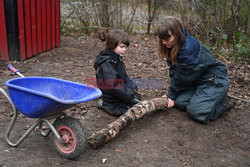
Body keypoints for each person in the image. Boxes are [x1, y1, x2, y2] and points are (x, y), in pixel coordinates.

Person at [157, 16, 235, 124]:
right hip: (197, 80)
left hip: (214, 80)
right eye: (162, 39)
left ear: (177, 34)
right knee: (179, 102)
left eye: (167, 39)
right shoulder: (172, 45)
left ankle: (225, 104)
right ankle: (208, 100)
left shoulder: (189, 49)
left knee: (196, 112)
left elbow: (182, 78)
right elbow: (174, 70)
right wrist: (172, 94)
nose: (164, 42)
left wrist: (171, 94)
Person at [94, 29, 141, 117]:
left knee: (136, 100)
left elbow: (123, 76)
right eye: (122, 47)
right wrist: (128, 95)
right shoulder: (107, 63)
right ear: (112, 45)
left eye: (126, 47)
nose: (125, 50)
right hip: (111, 95)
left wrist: (132, 87)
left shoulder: (116, 58)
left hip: (119, 91)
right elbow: (112, 85)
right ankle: (103, 103)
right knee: (129, 111)